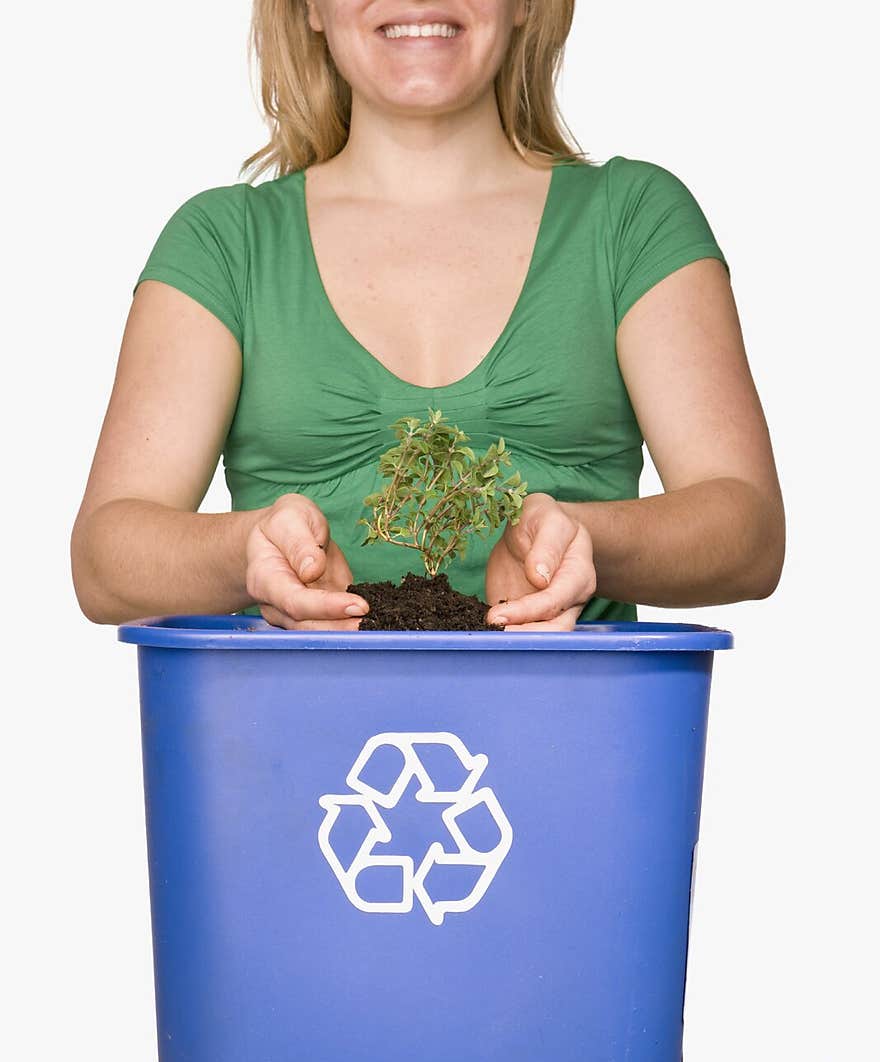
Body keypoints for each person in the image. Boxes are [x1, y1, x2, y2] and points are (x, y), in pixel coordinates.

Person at [70, 0, 785, 632]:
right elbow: (105, 564)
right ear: (310, 6)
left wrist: (584, 538)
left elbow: (749, 536)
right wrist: (245, 551)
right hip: (285, 734)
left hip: (572, 729)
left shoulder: (632, 221)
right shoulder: (226, 244)